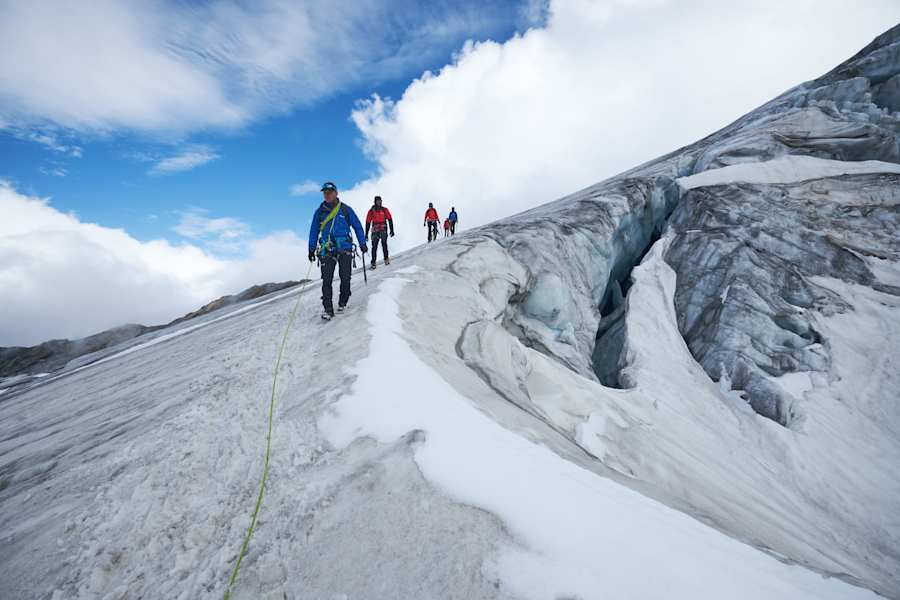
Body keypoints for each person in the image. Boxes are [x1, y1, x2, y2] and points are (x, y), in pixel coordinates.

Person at [308, 181, 367, 320]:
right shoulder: (319, 212)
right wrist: (311, 249)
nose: (327, 195)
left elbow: (357, 226)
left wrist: (362, 243)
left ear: (336, 193)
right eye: (325, 193)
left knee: (345, 277)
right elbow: (313, 231)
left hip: (345, 248)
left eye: (329, 192)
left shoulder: (346, 210)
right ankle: (328, 309)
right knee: (326, 280)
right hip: (327, 249)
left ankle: (343, 301)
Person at [365, 195, 394, 269]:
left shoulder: (384, 210)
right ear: (375, 202)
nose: (379, 202)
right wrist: (366, 234)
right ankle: (373, 262)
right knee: (374, 246)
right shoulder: (371, 211)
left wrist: (392, 230)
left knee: (384, 244)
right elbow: (367, 222)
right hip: (375, 229)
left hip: (383, 228)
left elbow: (390, 219)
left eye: (380, 201)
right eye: (378, 201)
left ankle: (386, 259)